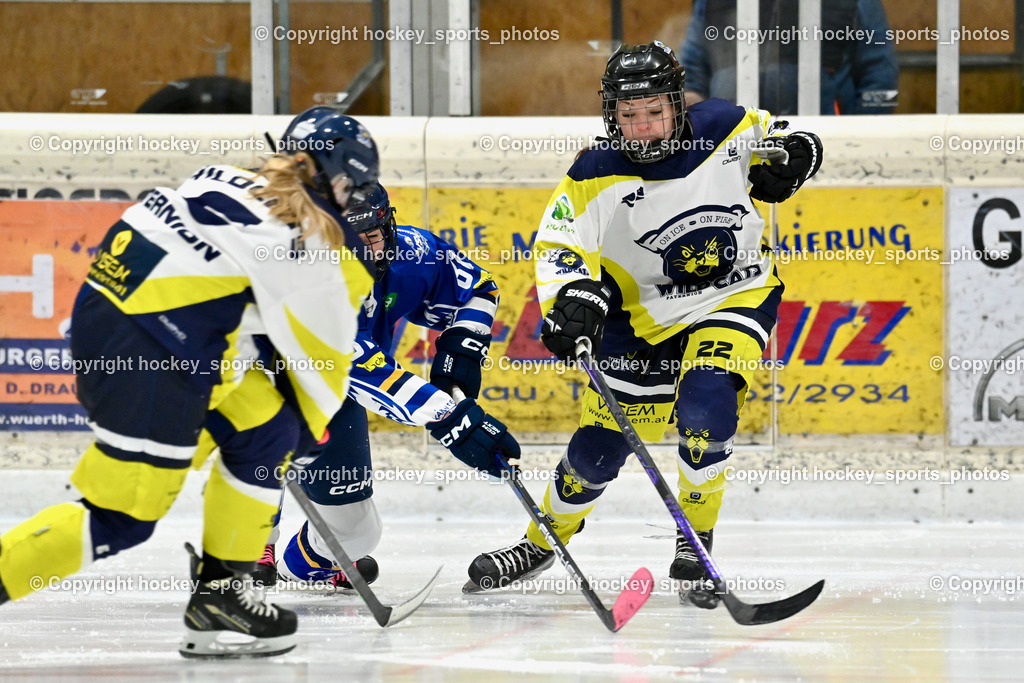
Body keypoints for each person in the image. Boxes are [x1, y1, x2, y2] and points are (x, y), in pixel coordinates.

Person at [0, 106, 381, 658]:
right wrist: (308, 437)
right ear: (342, 181)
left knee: (264, 430)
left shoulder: (221, 174)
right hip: (154, 352)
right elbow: (322, 375)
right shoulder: (318, 253)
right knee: (120, 517)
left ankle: (221, 597)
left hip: (114, 316)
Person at [464, 41, 822, 608]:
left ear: (678, 106)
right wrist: (571, 299)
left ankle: (694, 542)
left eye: (654, 111)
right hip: (640, 319)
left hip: (732, 295)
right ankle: (541, 542)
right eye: (629, 115)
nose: (644, 128)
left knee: (707, 409)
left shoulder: (726, 126)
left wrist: (799, 155)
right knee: (595, 454)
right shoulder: (594, 173)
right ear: (612, 115)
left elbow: (780, 140)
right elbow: (559, 243)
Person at [203, 182, 518, 589]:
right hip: (253, 373)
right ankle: (251, 545)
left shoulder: (413, 252)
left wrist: (462, 349)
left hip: (333, 390)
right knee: (266, 432)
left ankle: (304, 567)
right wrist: (449, 416)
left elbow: (477, 287)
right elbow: (359, 367)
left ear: (389, 226)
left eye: (371, 237)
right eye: (347, 241)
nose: (363, 253)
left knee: (358, 534)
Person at [680, 0, 899, 115]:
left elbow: (881, 77)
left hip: (824, 146)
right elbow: (693, 68)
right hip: (734, 145)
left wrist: (857, 139)